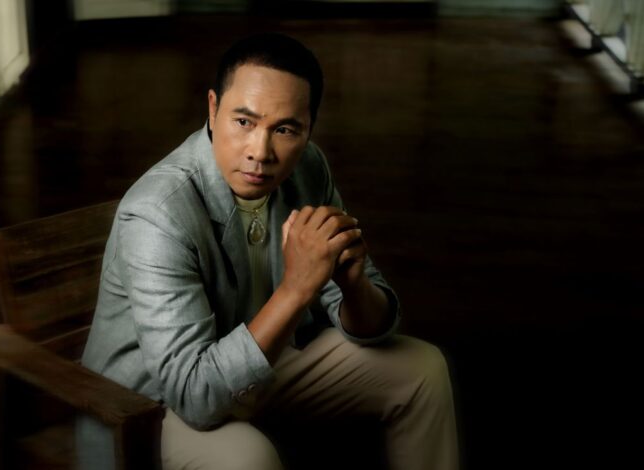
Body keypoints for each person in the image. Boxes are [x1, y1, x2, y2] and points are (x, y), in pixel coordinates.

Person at [78, 33, 459, 470]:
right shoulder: (157, 212)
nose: (260, 153)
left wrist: (353, 284)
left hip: (260, 361)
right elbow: (194, 395)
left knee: (422, 370)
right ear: (213, 108)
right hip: (150, 404)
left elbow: (371, 326)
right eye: (244, 121)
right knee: (247, 459)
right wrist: (297, 289)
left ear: (308, 128)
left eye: (284, 129)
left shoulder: (308, 167)